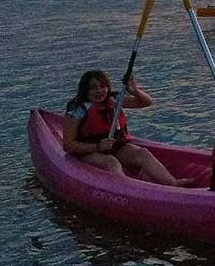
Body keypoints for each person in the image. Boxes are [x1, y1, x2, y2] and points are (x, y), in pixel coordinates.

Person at [62, 70, 192, 186]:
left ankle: (173, 183)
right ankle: (128, 191)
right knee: (111, 162)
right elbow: (68, 145)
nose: (99, 91)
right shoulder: (78, 109)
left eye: (103, 86)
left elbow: (146, 102)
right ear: (85, 91)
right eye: (93, 88)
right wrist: (97, 147)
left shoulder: (114, 99)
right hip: (89, 151)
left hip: (116, 146)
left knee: (142, 153)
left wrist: (135, 90)